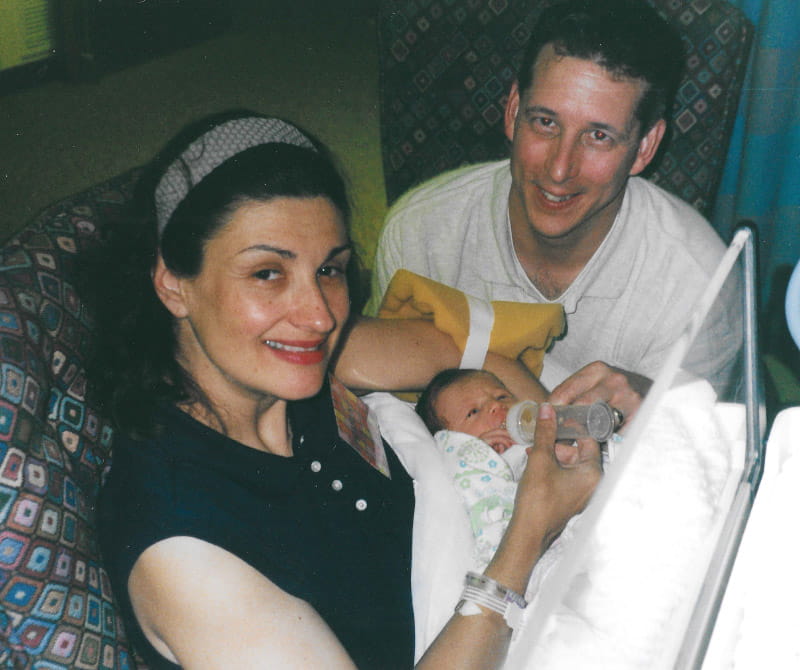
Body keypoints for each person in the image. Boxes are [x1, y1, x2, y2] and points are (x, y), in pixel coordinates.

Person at [83, 112, 601, 669]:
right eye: (267, 273)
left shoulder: (281, 363)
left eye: (329, 270)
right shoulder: (187, 558)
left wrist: (543, 430)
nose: (319, 316)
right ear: (173, 283)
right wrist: (529, 531)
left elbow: (469, 358)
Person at [368, 0, 742, 423]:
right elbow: (387, 417)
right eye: (545, 122)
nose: (559, 169)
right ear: (512, 112)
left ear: (645, 147)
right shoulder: (418, 233)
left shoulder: (699, 286)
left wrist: (651, 410)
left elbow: (688, 462)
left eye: (598, 135)